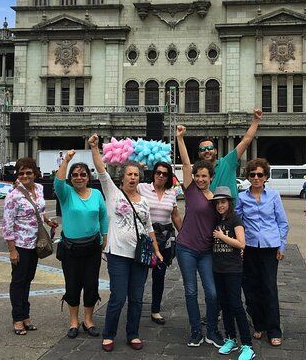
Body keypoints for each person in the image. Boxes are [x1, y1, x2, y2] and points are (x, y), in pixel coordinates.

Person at [89, 134, 163, 352]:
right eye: (129, 174)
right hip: (118, 254)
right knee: (118, 297)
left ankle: (133, 334)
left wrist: (157, 251)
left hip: (140, 256)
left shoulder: (144, 201)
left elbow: (149, 227)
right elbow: (102, 170)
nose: (133, 178)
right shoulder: (113, 193)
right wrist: (94, 147)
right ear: (122, 177)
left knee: (137, 298)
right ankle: (109, 334)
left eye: (136, 175)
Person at [175, 125, 224, 348]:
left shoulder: (217, 199)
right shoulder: (190, 189)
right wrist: (180, 138)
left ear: (211, 177)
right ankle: (196, 331)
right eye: (198, 175)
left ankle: (212, 330)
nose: (201, 179)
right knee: (191, 291)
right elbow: (185, 162)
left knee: (212, 293)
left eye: (204, 176)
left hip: (206, 251)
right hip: (185, 248)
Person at [54, 149, 108, 339]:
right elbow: (58, 182)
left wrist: (105, 236)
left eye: (83, 174)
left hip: (92, 247)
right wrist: (66, 160)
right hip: (71, 249)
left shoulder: (96, 194)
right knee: (72, 285)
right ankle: (74, 321)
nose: (79, 177)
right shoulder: (66, 194)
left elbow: (103, 216)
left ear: (88, 177)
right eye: (75, 175)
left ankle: (89, 320)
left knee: (91, 285)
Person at [235, 158, 289, 347]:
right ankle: (258, 323)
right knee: (250, 287)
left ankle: (274, 328)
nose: (256, 178)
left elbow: (282, 222)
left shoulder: (273, 196)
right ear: (248, 177)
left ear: (266, 176)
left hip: (269, 247)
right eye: (252, 174)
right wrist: (238, 245)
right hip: (249, 247)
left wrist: (282, 246)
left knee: (269, 287)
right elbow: (237, 222)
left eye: (260, 174)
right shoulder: (242, 197)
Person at [2, 157, 58, 336]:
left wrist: (48, 220)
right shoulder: (13, 195)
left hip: (36, 244)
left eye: (28, 172)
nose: (25, 176)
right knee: (18, 282)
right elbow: (7, 225)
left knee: (28, 280)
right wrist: (12, 250)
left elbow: (39, 211)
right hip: (20, 245)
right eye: (21, 173)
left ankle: (25, 315)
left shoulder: (40, 189)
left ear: (35, 174)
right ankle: (18, 318)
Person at [210, 186, 255, 360]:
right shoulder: (216, 220)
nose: (220, 205)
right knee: (225, 304)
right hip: (218, 268)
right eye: (217, 203)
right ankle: (230, 338)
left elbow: (241, 244)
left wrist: (222, 237)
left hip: (233, 269)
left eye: (223, 202)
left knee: (236, 304)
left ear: (229, 202)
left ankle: (247, 345)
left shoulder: (235, 220)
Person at [137, 161, 183, 326]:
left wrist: (184, 234)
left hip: (164, 241)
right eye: (158, 172)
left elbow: (175, 215)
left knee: (159, 277)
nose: (161, 176)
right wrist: (137, 165)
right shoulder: (142, 188)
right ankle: (135, 307)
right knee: (139, 277)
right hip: (144, 240)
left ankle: (155, 310)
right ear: (153, 173)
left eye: (165, 173)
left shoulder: (171, 193)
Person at [197, 109, 262, 200]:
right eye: (203, 149)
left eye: (210, 148)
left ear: (215, 151)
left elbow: (245, 142)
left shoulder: (227, 163)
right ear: (199, 154)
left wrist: (255, 120)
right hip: (209, 213)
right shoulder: (197, 173)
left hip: (230, 213)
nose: (207, 151)